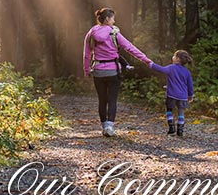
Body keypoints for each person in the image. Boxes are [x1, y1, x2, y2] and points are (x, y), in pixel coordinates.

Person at [83, 8, 152, 137]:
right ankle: (110, 126)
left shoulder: (91, 33)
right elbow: (130, 48)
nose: (114, 21)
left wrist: (87, 70)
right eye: (113, 18)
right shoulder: (114, 32)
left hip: (98, 71)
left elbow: (87, 54)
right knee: (112, 99)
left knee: (102, 100)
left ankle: (104, 127)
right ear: (108, 19)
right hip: (113, 71)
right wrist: (146, 60)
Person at [149, 50, 194, 137]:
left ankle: (171, 128)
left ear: (177, 59)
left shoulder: (171, 68)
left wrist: (151, 64)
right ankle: (180, 130)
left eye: (174, 56)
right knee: (181, 112)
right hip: (183, 96)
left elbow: (160, 69)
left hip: (172, 95)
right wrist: (190, 95)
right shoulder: (187, 72)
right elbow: (190, 85)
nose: (172, 57)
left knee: (169, 110)